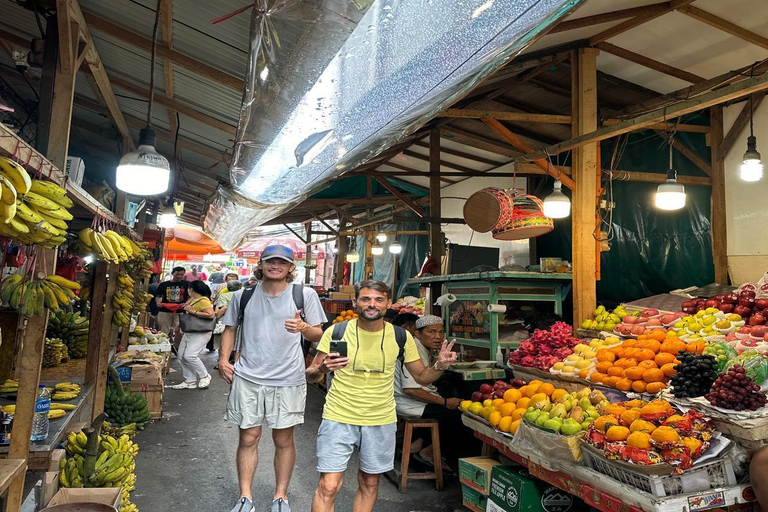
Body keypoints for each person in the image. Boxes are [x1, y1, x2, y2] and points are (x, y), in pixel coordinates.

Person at [306, 280, 457, 512]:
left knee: (370, 482)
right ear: (355, 302)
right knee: (328, 486)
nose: (372, 304)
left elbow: (422, 377)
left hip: (381, 419)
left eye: (378, 299)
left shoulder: (401, 337)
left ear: (387, 303)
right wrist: (322, 370)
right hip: (339, 416)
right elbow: (311, 375)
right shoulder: (337, 331)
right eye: (366, 299)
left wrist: (440, 365)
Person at [219, 245, 326, 512]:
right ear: (262, 264)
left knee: (283, 440)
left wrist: (303, 328)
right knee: (248, 438)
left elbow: (319, 335)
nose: (275, 265)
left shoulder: (305, 295)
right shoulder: (243, 296)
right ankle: (245, 497)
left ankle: (281, 496)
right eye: (270, 261)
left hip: (288, 377)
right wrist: (223, 359)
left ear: (291, 267)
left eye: (282, 262)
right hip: (248, 375)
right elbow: (230, 328)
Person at [394, 314, 480, 470]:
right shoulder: (413, 350)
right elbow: (411, 389)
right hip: (409, 403)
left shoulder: (422, 348)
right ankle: (431, 454)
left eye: (441, 332)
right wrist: (446, 403)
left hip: (415, 400)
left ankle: (418, 446)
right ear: (418, 334)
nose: (438, 337)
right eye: (431, 332)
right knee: (460, 417)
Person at [170, 280, 216, 390]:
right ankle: (189, 380)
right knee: (181, 357)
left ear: (191, 289)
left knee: (190, 356)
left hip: (201, 332)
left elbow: (210, 315)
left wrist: (192, 311)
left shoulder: (203, 300)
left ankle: (204, 376)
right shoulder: (195, 299)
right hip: (190, 332)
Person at [208, 279, 243, 355]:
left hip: (226, 320)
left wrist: (217, 317)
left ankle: (221, 359)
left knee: (222, 341)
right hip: (239, 320)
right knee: (236, 341)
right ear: (240, 287)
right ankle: (234, 360)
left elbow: (224, 308)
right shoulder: (242, 294)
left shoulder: (224, 296)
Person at [154, 267, 189, 341]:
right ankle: (163, 347)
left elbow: (192, 296)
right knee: (163, 331)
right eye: (177, 274)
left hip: (180, 311)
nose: (179, 276)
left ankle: (176, 348)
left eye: (181, 274)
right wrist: (158, 303)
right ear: (172, 273)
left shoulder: (187, 284)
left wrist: (187, 304)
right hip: (164, 311)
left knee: (179, 332)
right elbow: (158, 296)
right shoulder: (164, 285)